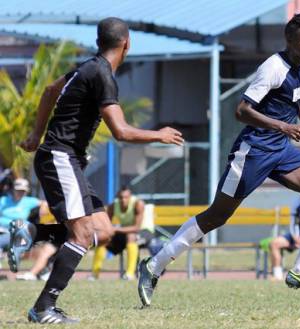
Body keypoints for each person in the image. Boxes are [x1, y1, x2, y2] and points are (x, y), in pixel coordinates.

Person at [138, 13, 300, 307]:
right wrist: (284, 126)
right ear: (290, 41)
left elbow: (295, 98)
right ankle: (153, 266)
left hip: (281, 150)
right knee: (216, 216)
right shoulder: (273, 67)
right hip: (254, 151)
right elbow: (242, 110)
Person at [15, 17, 183, 324]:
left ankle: (31, 232)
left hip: (66, 159)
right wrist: (158, 134)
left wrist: (36, 135)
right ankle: (42, 308)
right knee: (80, 235)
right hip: (60, 158)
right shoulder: (102, 74)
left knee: (103, 232)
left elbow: (50, 90)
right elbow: (120, 131)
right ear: (127, 43)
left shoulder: (86, 67)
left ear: (98, 43)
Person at [90, 186, 144, 280]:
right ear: (117, 198)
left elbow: (136, 228)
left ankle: (129, 274)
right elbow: (107, 225)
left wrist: (115, 229)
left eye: (126, 197)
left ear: (130, 197)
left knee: (131, 236)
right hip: (124, 233)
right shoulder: (113, 206)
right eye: (121, 197)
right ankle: (95, 274)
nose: (123, 200)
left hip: (144, 232)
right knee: (103, 238)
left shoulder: (138, 204)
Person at [270, 194, 300, 281]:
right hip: (296, 236)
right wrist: (295, 237)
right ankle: (277, 275)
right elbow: (293, 223)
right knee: (274, 244)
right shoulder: (297, 202)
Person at [0, 178, 43, 252]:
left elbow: (44, 203)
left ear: (26, 192)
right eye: (18, 190)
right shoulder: (4, 200)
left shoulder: (29, 201)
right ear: (13, 189)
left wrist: (43, 210)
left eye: (23, 191)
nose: (20, 193)